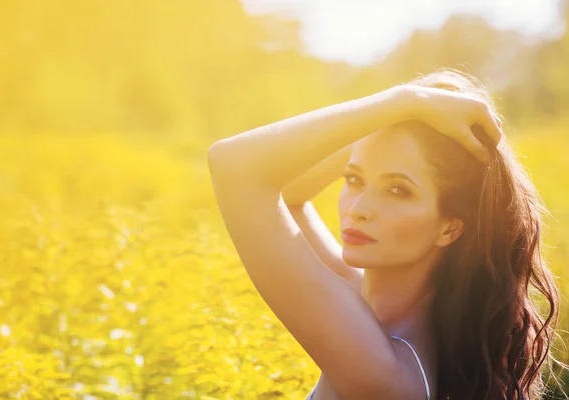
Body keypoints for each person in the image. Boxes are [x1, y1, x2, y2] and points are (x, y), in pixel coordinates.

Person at [207, 68, 568, 399]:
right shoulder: (368, 306)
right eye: (354, 180)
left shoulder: (383, 369)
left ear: (449, 227)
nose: (358, 208)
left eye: (398, 190)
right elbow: (293, 196)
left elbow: (235, 166)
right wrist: (400, 123)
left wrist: (404, 102)